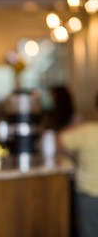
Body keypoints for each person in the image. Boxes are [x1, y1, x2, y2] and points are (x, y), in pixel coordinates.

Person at [57, 93, 98, 237]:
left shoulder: (86, 130)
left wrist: (73, 126)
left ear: (95, 109)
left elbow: (59, 141)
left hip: (89, 196)